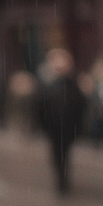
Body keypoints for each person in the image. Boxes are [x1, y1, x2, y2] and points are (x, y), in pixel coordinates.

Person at [36, 48, 86, 194]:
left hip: (67, 127)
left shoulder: (72, 85)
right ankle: (61, 180)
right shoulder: (48, 85)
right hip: (55, 128)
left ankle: (63, 180)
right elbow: (41, 107)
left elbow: (81, 107)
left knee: (63, 155)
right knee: (58, 155)